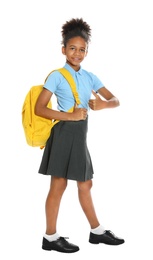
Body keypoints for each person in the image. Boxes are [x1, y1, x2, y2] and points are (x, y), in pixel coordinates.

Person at [35, 18, 125, 253]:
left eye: (82, 49)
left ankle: (96, 232)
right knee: (59, 184)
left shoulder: (90, 77)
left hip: (80, 136)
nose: (77, 53)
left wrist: (103, 106)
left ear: (87, 51)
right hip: (64, 133)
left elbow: (115, 100)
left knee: (86, 183)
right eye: (72, 48)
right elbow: (40, 108)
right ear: (63, 49)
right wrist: (71, 116)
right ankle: (51, 237)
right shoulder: (56, 76)